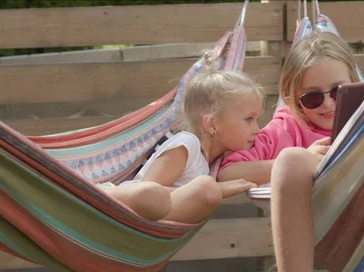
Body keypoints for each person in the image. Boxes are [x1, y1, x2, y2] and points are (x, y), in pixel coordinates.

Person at [217, 31, 361, 272]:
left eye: (337, 91)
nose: (328, 104)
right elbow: (226, 174)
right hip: (309, 223)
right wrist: (292, 164)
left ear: (354, 84)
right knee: (293, 159)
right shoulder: (285, 130)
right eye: (312, 98)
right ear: (291, 97)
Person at [104, 51, 263, 224]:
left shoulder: (210, 163)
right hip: (119, 209)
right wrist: (218, 189)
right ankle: (102, 194)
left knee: (205, 190)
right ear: (212, 125)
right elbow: (148, 191)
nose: (258, 129)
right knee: (194, 191)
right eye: (249, 119)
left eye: (257, 120)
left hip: (146, 227)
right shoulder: (187, 145)